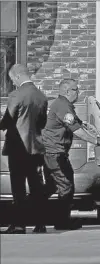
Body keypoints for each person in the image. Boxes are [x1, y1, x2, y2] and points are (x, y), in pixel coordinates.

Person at [42, 78, 100, 230]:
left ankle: (26, 212)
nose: (78, 92)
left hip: (54, 153)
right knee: (66, 186)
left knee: (51, 187)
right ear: (66, 91)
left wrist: (87, 126)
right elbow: (77, 131)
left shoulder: (64, 106)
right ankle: (62, 222)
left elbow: (78, 124)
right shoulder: (63, 106)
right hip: (55, 154)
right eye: (76, 89)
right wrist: (97, 141)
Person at [0, 64, 48, 234]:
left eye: (13, 79)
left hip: (17, 148)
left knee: (18, 187)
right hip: (36, 147)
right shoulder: (41, 96)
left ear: (18, 76)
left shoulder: (16, 95)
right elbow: (42, 122)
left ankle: (19, 225)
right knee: (36, 186)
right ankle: (40, 224)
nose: (13, 83)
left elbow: (7, 121)